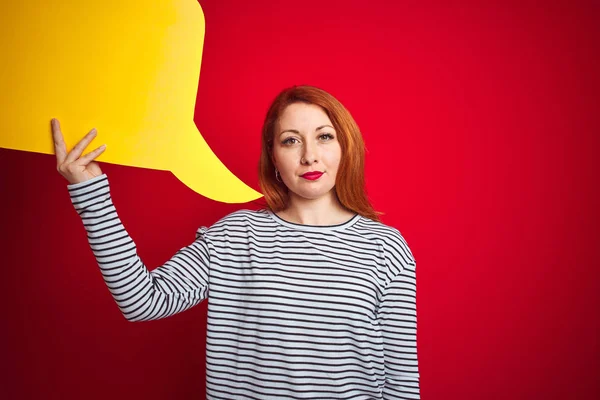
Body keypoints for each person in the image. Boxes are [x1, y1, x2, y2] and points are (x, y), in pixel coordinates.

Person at [52, 85, 420, 399]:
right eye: (291, 141)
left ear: (345, 147)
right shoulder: (236, 236)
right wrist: (90, 192)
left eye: (324, 136)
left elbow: (402, 382)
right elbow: (142, 302)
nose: (309, 155)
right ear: (273, 156)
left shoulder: (385, 247)